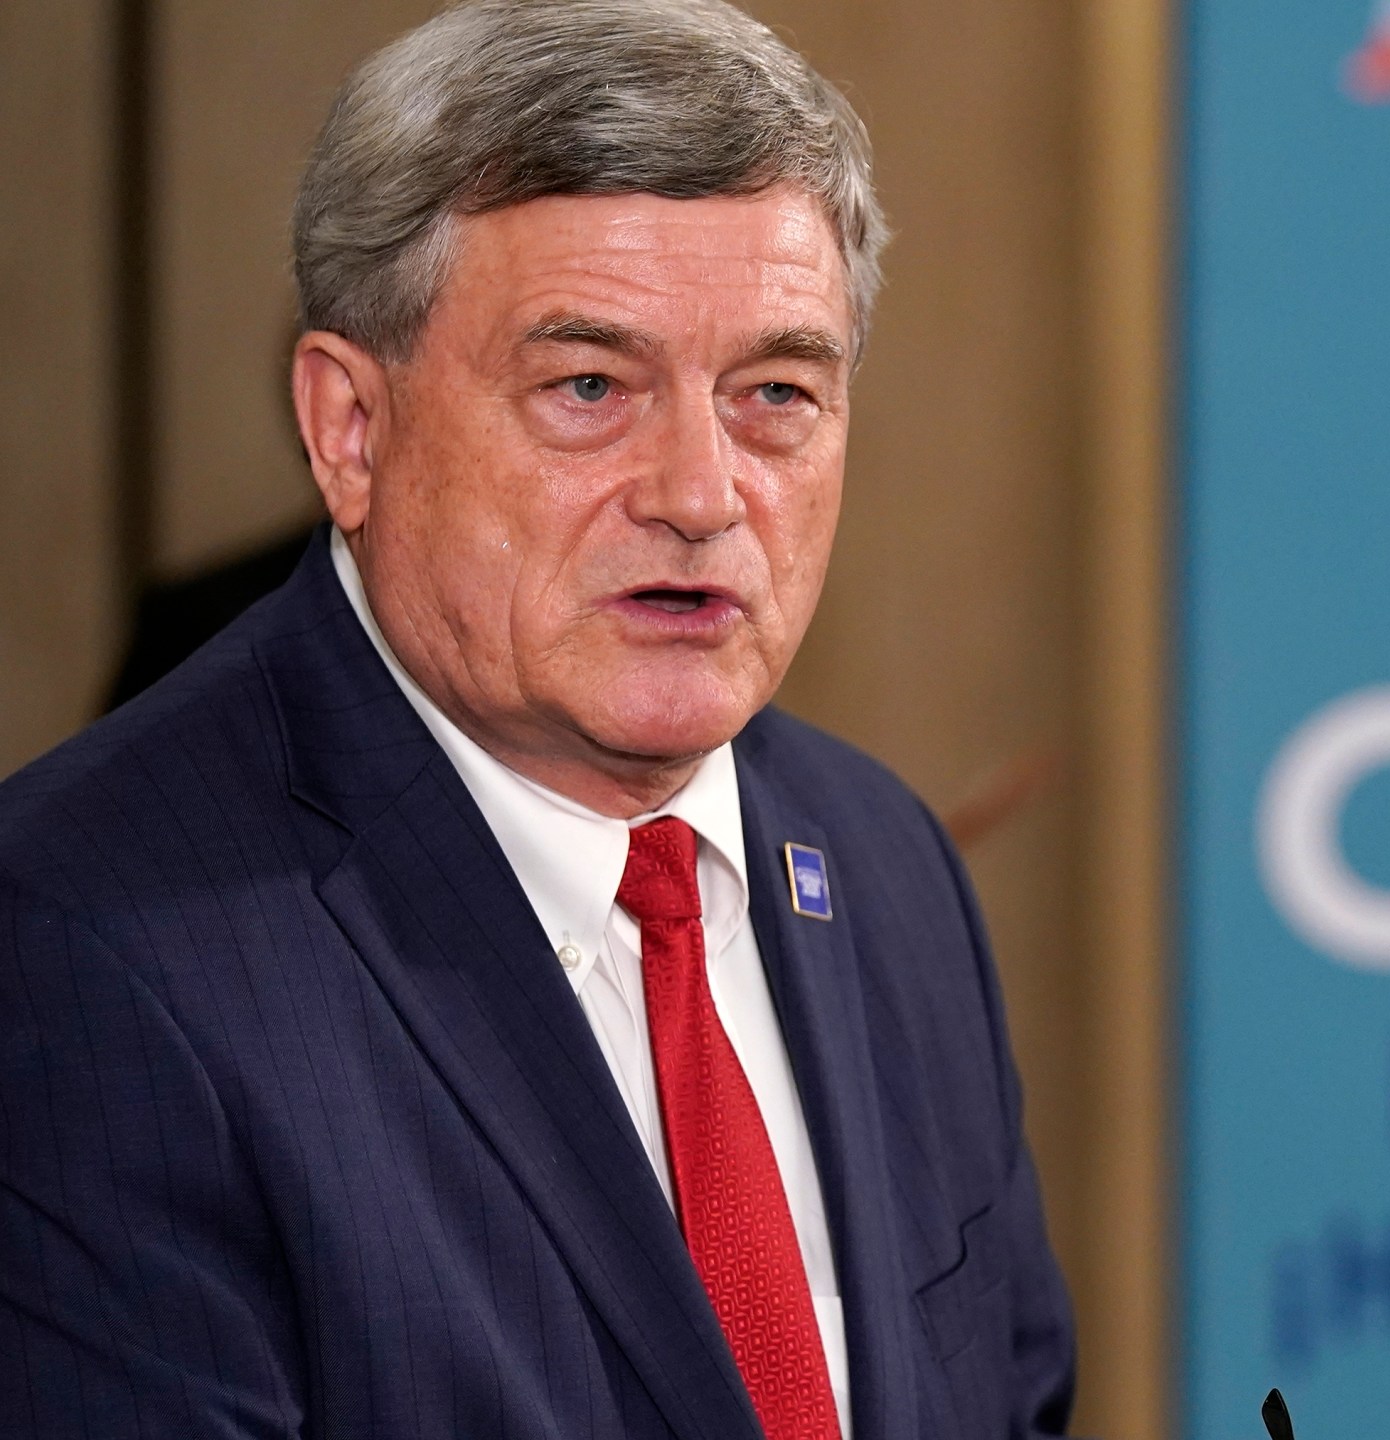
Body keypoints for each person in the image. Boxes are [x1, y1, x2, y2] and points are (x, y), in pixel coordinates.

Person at [0, 3, 1078, 1436]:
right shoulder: (80, 948)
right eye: (589, 387)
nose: (700, 493)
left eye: (776, 393)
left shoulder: (882, 864)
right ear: (350, 430)